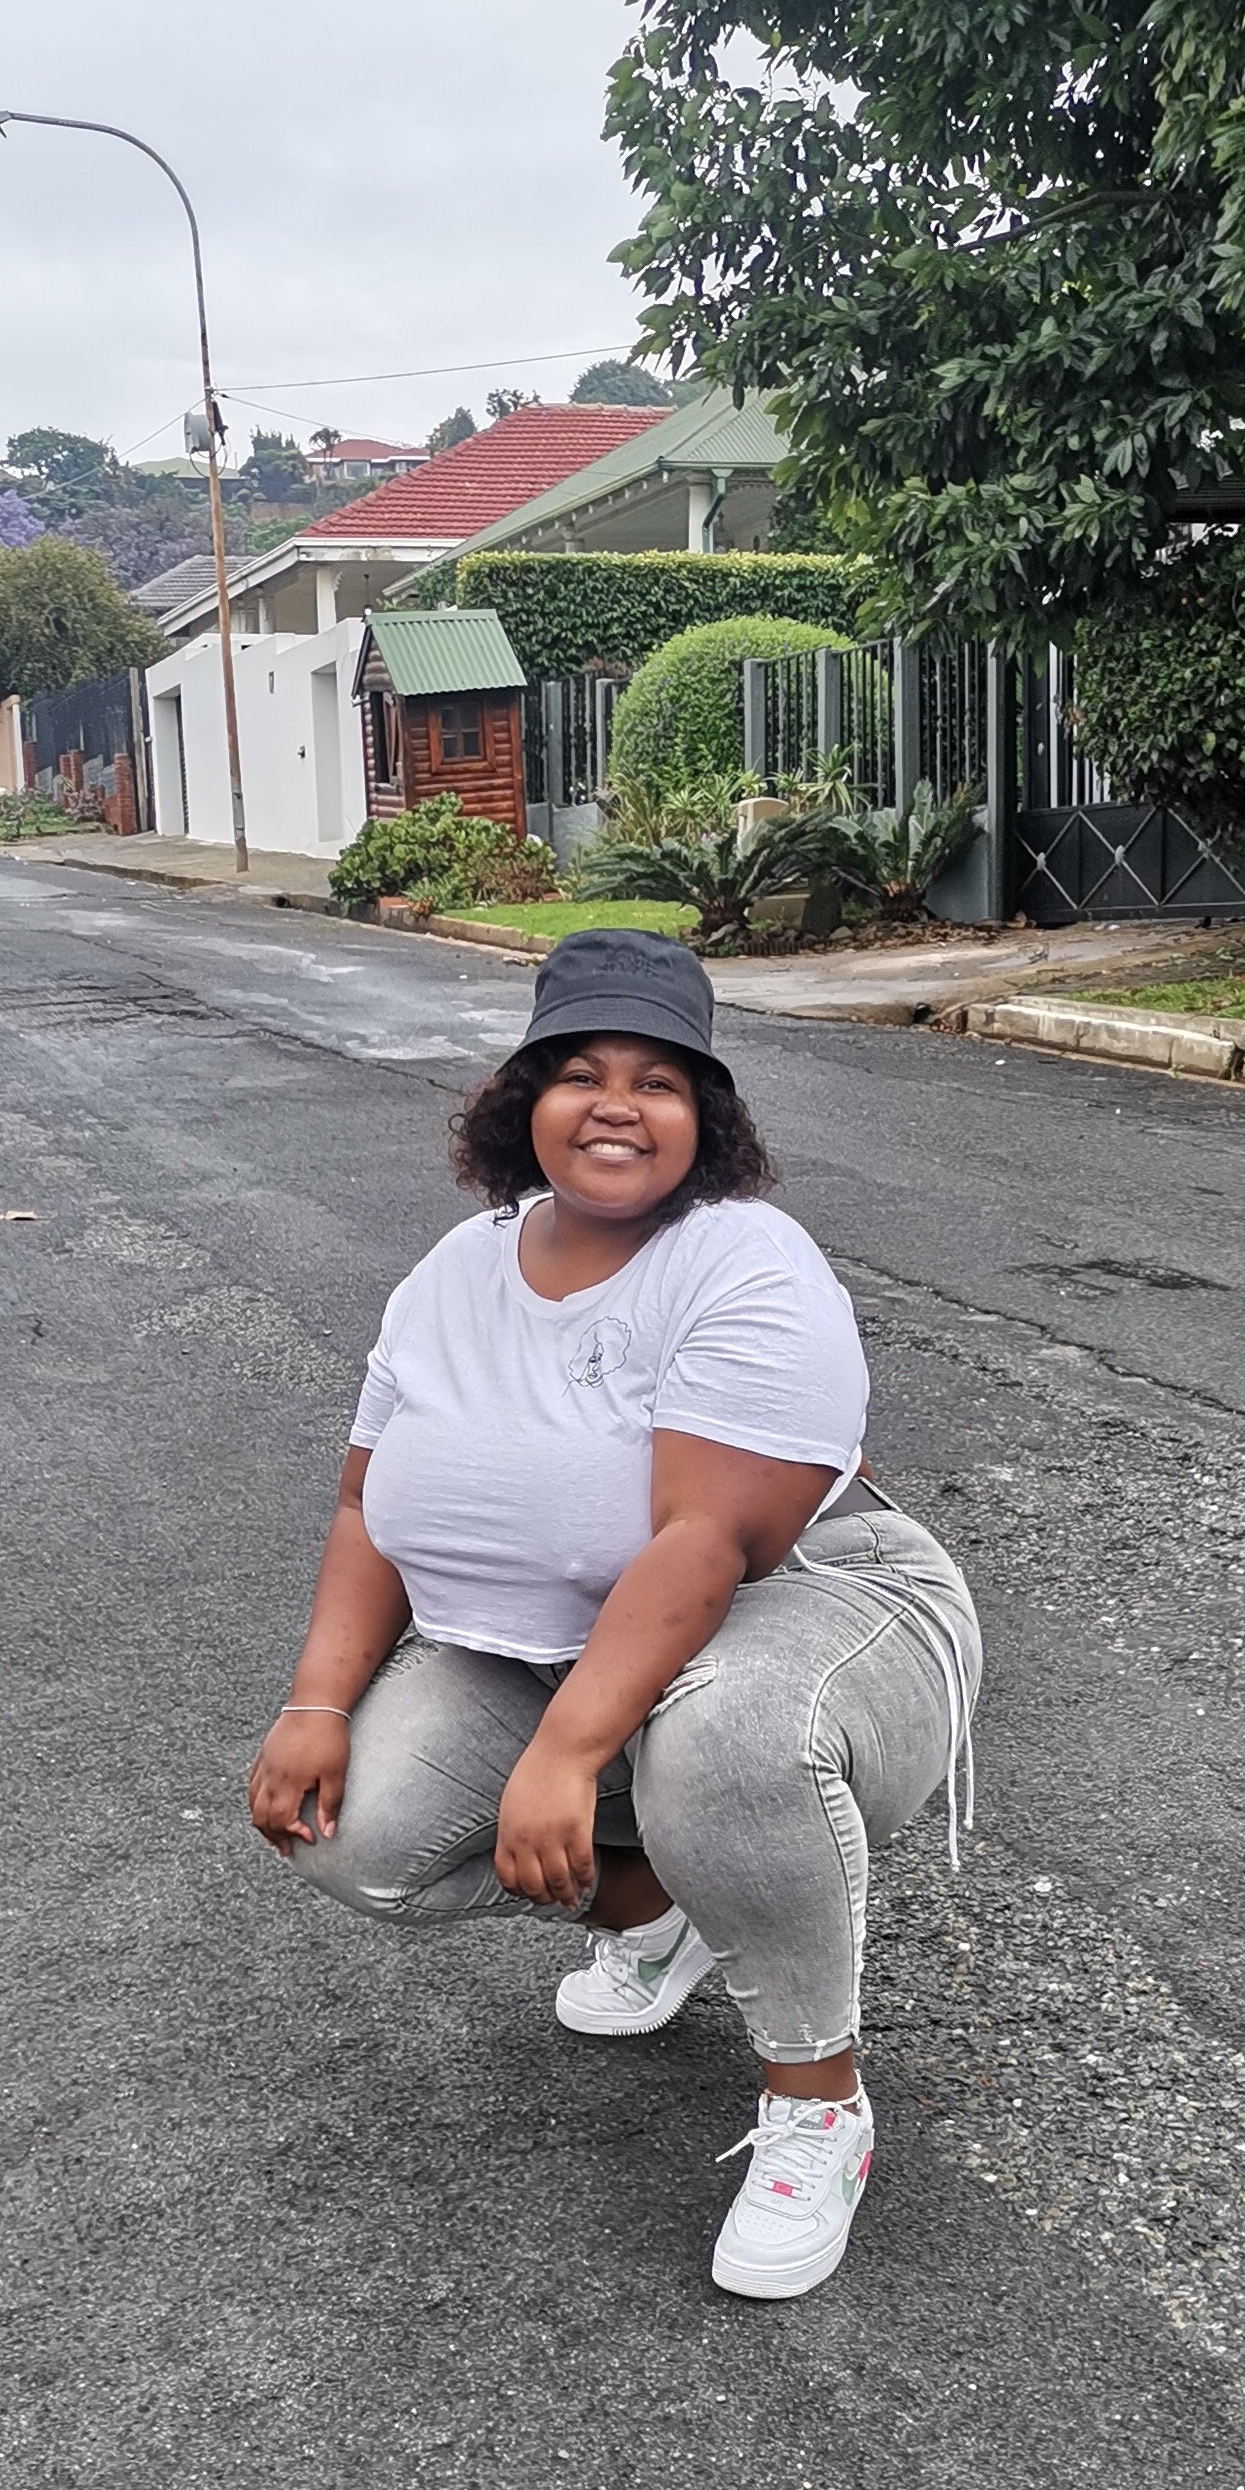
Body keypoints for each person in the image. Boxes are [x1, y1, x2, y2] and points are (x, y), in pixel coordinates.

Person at [247, 926, 981, 2298]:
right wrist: (317, 1701)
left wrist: (570, 1751)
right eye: (581, 1073)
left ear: (706, 1119)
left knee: (728, 1742)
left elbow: (709, 1540)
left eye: (659, 1081)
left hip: (814, 1600)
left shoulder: (744, 1259)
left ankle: (818, 2102)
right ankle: (684, 1904)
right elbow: (363, 1505)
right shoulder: (453, 1273)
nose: (616, 1106)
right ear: (525, 1101)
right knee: (359, 1836)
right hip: (544, 1639)